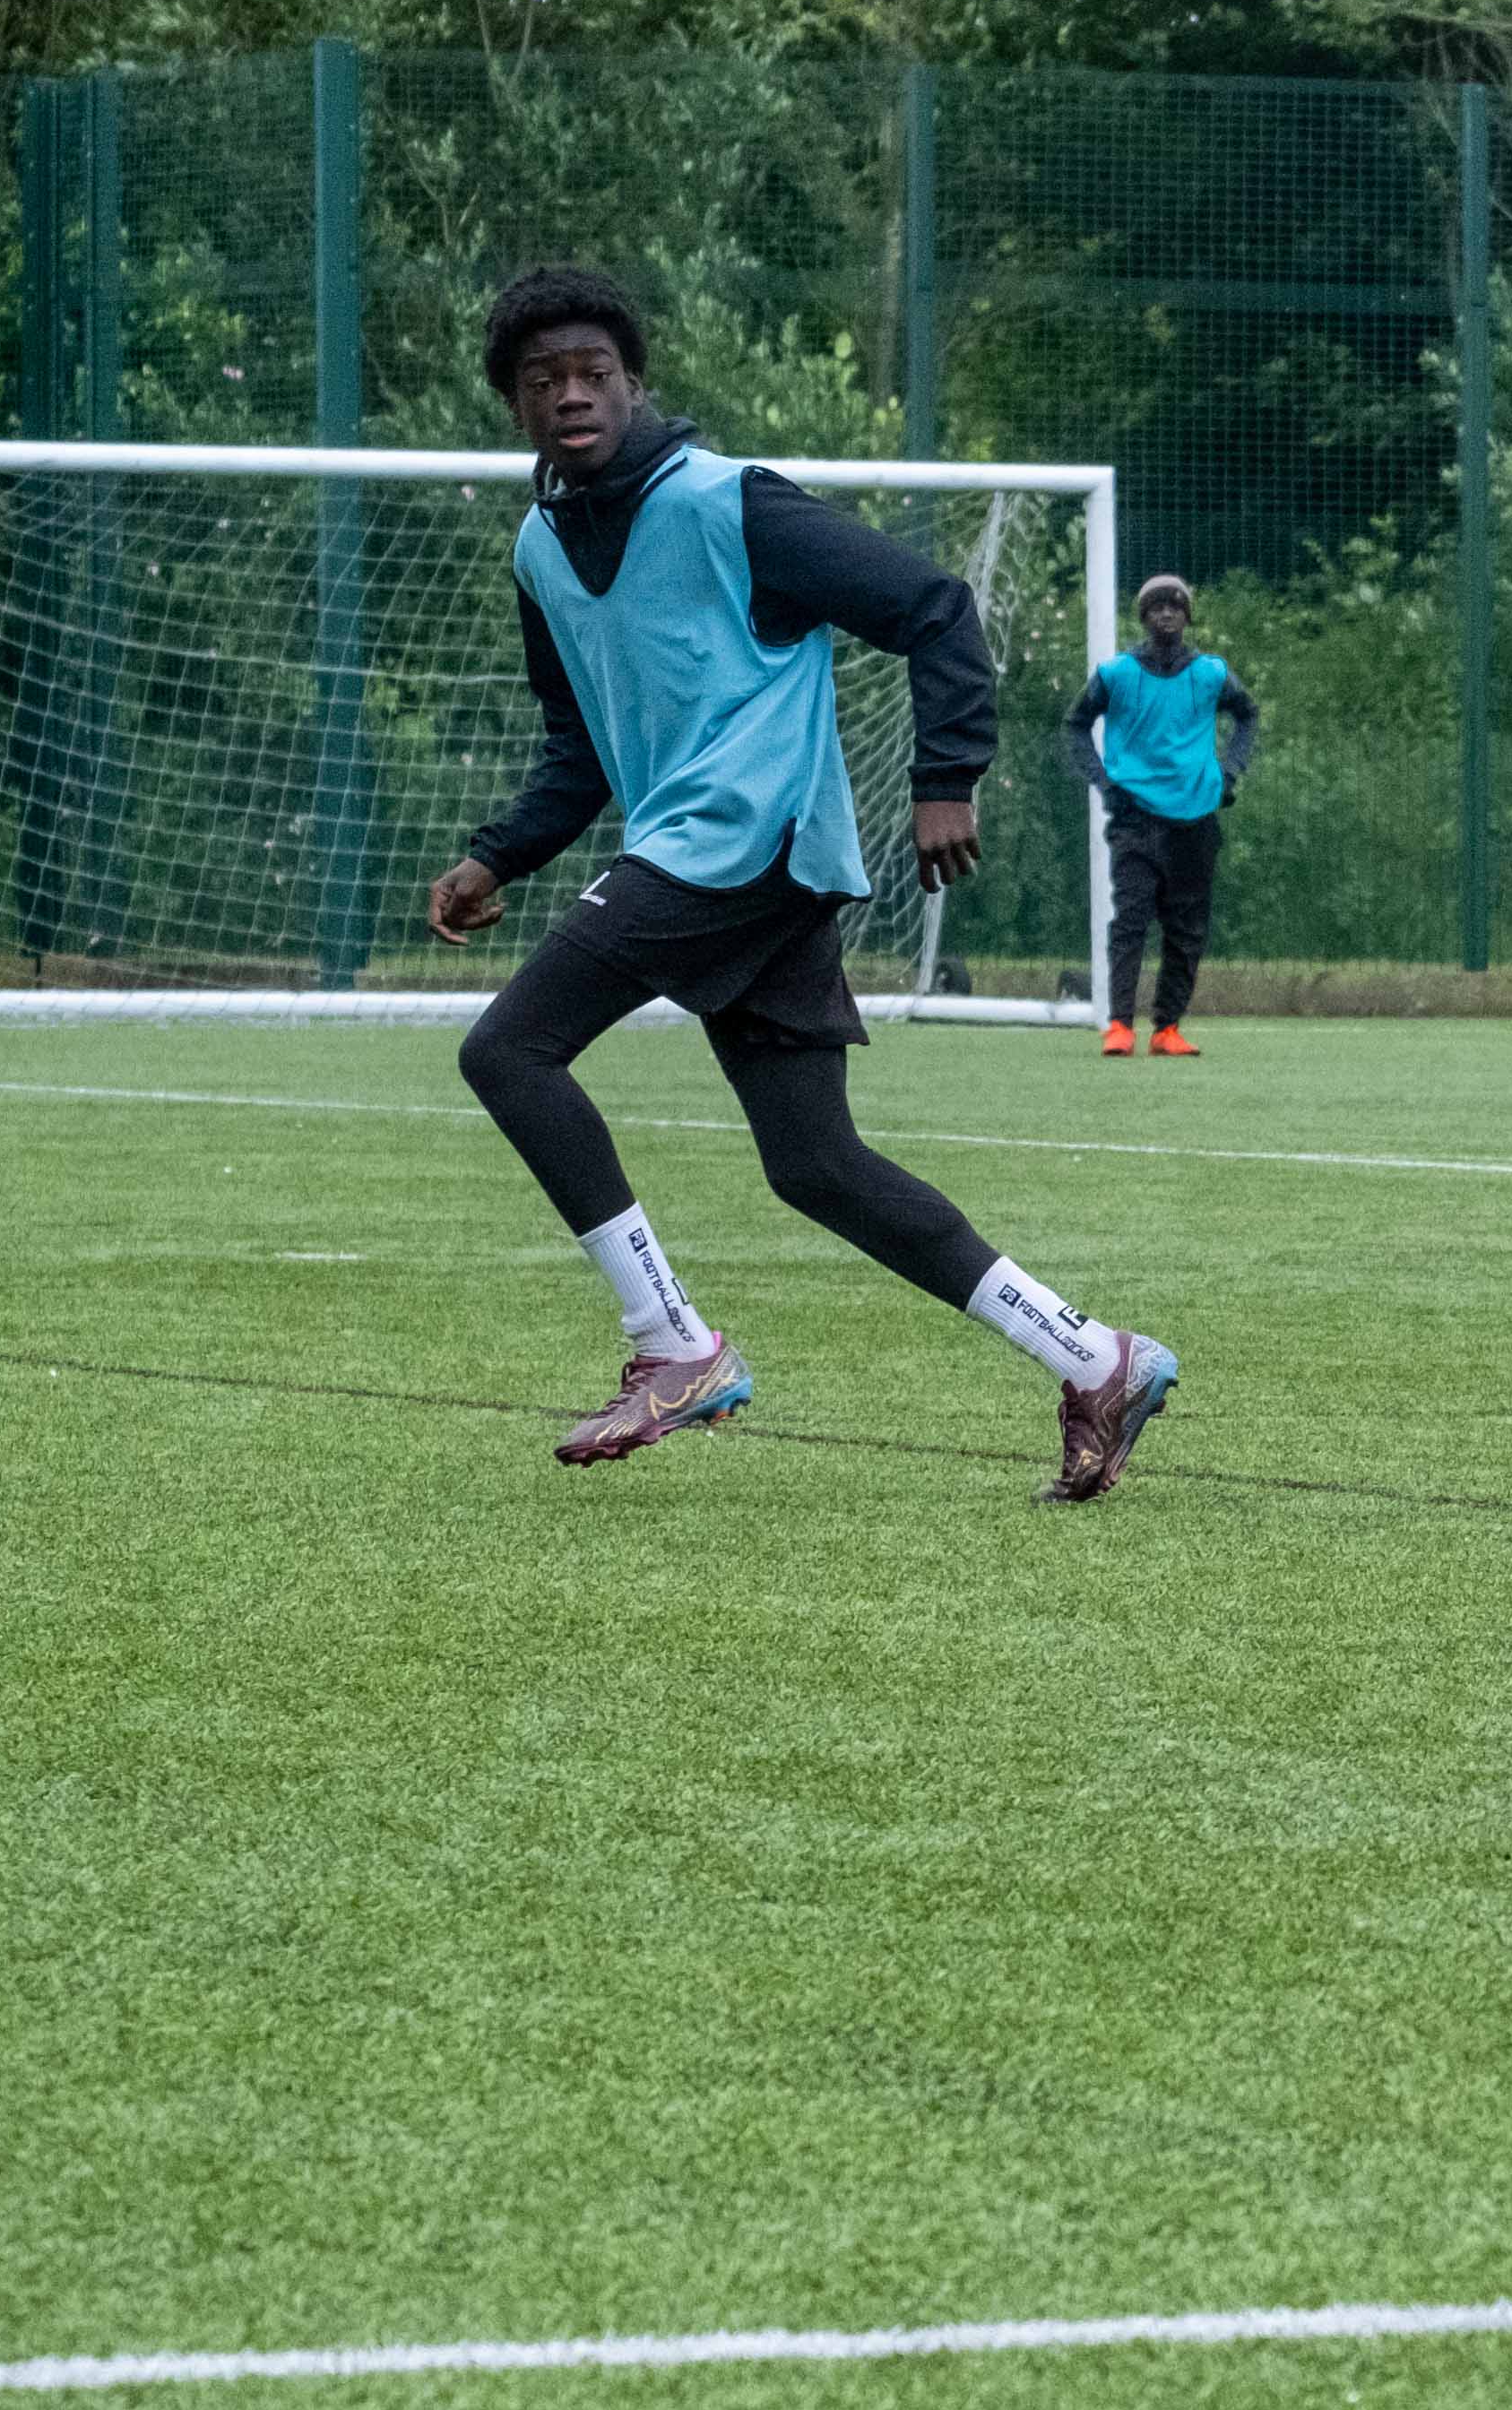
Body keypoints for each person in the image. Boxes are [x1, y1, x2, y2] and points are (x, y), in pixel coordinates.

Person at [434, 266, 1179, 1501]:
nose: (571, 394)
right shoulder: (541, 550)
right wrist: (497, 852)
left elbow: (933, 609)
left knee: (508, 1054)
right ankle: (1095, 1357)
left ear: (636, 383)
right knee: (815, 1165)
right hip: (725, 859)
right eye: (542, 380)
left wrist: (948, 778)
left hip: (744, 841)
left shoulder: (733, 504)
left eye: (594, 373)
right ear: (516, 406)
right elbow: (581, 744)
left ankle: (673, 1346)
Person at [1074, 571, 1257, 1057]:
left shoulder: (1210, 673)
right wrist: (1104, 780)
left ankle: (1167, 1028)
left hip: (1196, 817)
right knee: (1131, 918)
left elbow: (1247, 715)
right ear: (1144, 617)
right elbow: (1076, 725)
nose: (1167, 614)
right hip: (1134, 816)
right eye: (1156, 606)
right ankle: (1119, 1024)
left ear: (1187, 616)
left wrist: (1229, 772)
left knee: (1187, 924)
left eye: (1175, 606)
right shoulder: (1117, 674)